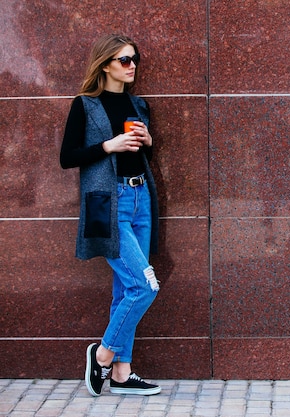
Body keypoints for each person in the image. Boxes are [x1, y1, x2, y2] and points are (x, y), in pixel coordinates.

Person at [60, 34, 161, 396]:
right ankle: (101, 354)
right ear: (105, 64)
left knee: (125, 290)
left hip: (140, 201)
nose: (132, 65)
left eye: (135, 59)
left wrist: (147, 144)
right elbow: (67, 157)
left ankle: (122, 372)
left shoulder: (139, 105)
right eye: (124, 60)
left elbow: (139, 155)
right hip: (109, 201)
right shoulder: (85, 105)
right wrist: (109, 145)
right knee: (144, 285)